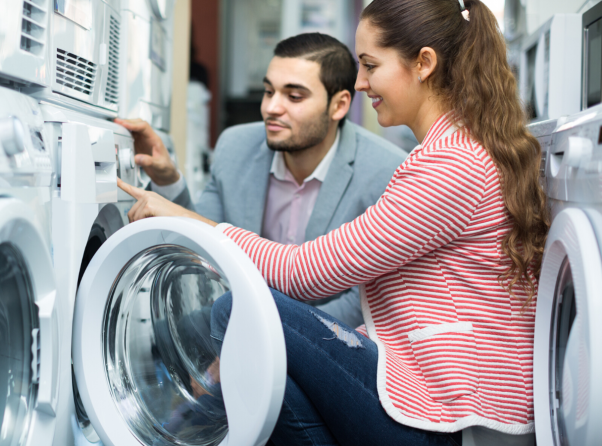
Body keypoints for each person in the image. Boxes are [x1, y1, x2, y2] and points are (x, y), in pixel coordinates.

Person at [118, 0, 550, 444]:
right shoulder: (462, 150)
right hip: (441, 395)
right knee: (258, 368)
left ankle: (158, 431)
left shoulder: (449, 165)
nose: (361, 82)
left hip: (445, 415)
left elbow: (305, 276)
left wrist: (190, 221)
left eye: (370, 65)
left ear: (424, 64)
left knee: (235, 315)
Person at [117, 33, 406, 329]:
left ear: (339, 105)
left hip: (330, 344)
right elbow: (202, 244)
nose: (272, 108)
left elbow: (364, 299)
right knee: (171, 327)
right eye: (269, 92)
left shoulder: (386, 170)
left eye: (294, 96)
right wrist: (168, 180)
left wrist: (261, 342)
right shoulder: (235, 146)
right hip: (235, 320)